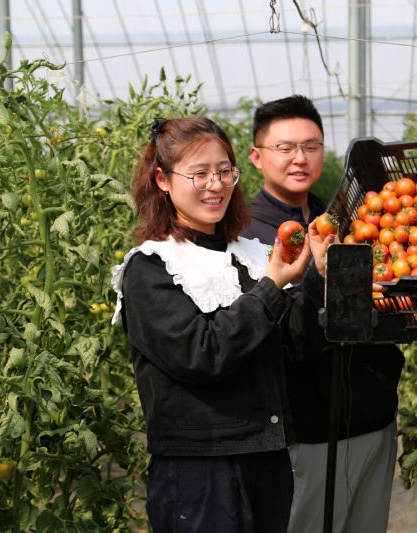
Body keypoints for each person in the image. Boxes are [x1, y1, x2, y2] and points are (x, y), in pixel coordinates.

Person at [111, 116, 334, 533]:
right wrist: (270, 287)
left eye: (224, 171)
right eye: (199, 174)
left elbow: (294, 345)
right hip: (201, 473)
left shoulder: (250, 255)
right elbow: (201, 355)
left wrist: (319, 278)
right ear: (162, 179)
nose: (215, 185)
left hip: (267, 460)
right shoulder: (153, 267)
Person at [242, 95, 405, 533]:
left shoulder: (348, 220)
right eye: (285, 147)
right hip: (309, 434)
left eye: (311, 146)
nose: (300, 158)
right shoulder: (246, 237)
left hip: (373, 420)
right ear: (257, 156)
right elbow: (283, 338)